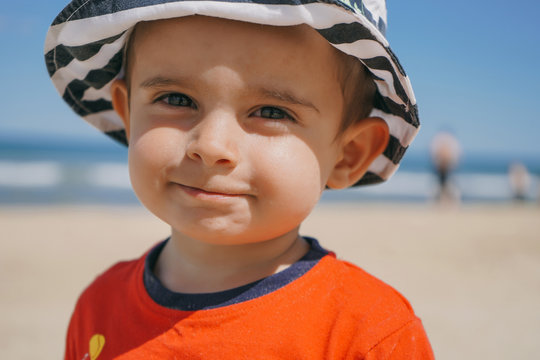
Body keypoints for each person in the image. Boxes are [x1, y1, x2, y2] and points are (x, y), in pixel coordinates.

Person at [45, 0, 433, 358]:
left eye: (271, 111)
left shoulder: (370, 334)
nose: (211, 146)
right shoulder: (98, 305)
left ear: (349, 155)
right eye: (177, 99)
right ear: (128, 114)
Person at [430, 130, 461, 204]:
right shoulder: (445, 141)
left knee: (446, 184)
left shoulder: (446, 141)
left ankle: (446, 201)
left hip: (446, 167)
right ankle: (440, 201)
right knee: (441, 184)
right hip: (442, 167)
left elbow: (456, 154)